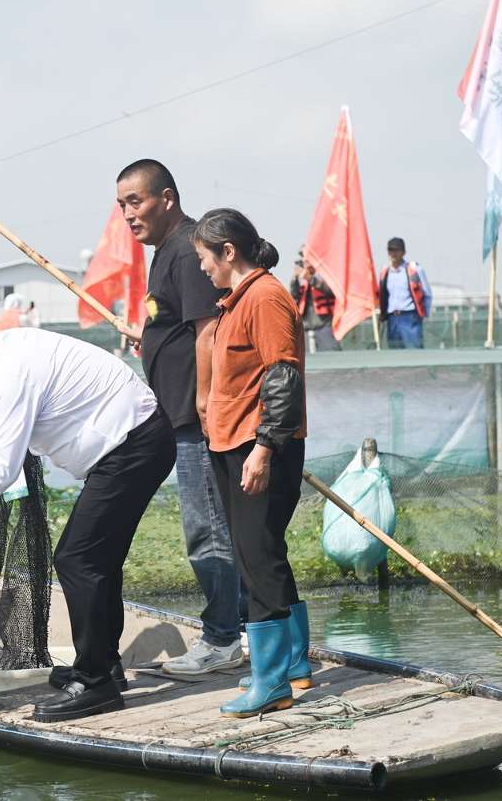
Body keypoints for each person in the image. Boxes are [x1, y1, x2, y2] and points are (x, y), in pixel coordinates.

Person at [0, 318, 175, 722]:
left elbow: (3, 470)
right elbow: (18, 430)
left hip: (132, 446)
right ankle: (103, 665)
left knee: (78, 559)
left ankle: (95, 682)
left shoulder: (7, 374)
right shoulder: (11, 352)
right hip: (135, 442)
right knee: (95, 560)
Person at [115, 159, 246, 678]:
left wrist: (206, 399)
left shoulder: (188, 250)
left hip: (199, 421)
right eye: (122, 204)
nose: (128, 214)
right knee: (212, 527)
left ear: (166, 198)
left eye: (136, 201)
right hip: (183, 417)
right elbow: (177, 326)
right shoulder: (165, 253)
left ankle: (221, 639)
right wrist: (147, 338)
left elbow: (210, 331)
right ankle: (238, 629)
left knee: (209, 529)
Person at [191, 208, 312, 719]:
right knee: (262, 554)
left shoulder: (264, 297)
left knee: (256, 560)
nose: (202, 269)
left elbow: (283, 375)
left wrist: (264, 447)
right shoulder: (234, 303)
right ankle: (292, 665)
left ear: (228, 251)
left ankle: (271, 681)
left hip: (254, 446)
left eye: (204, 258)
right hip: (231, 442)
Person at [379, 237, 431, 349]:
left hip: (410, 317)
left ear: (403, 252)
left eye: (397, 250)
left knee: (414, 352)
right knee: (395, 355)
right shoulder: (385, 272)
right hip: (392, 319)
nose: (394, 253)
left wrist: (424, 315)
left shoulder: (414, 269)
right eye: (391, 250)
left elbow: (427, 293)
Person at [289, 257, 340, 352]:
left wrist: (311, 279)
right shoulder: (302, 282)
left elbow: (331, 290)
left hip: (325, 327)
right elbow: (293, 297)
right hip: (306, 329)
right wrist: (294, 279)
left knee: (331, 355)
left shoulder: (326, 276)